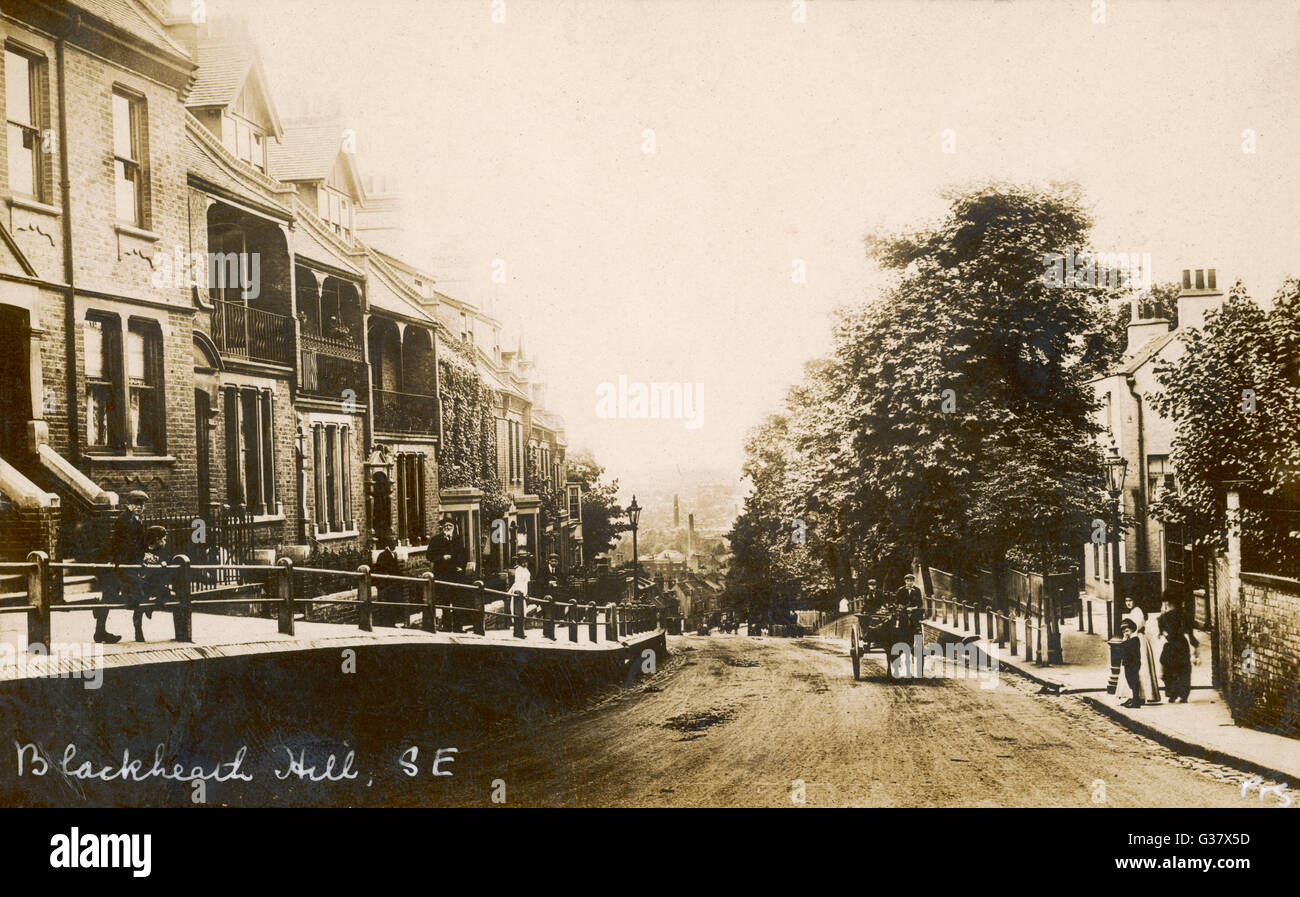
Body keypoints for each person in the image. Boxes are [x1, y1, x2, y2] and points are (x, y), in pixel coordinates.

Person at [94, 490, 149, 644]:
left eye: (142, 504)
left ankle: (101, 631)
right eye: (136, 503)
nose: (140, 506)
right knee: (138, 589)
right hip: (123, 565)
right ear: (128, 505)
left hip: (127, 564)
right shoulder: (126, 520)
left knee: (110, 597)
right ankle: (137, 632)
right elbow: (124, 545)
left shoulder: (135, 519)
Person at [124, 525, 171, 642]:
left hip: (153, 583)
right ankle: (138, 631)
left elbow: (167, 559)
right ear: (156, 539)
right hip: (139, 582)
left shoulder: (162, 550)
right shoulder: (141, 548)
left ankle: (149, 607)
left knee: (165, 593)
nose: (165, 541)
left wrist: (165, 562)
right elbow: (133, 562)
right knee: (140, 604)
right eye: (163, 539)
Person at [1119, 596, 1162, 705]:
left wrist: (1128, 635)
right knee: (1133, 669)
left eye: (1130, 600)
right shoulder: (1133, 611)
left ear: (1135, 601)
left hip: (1137, 640)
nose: (1128, 603)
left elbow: (1136, 627)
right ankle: (1133, 695)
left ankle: (1140, 696)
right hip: (1134, 639)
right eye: (1126, 601)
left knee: (1139, 668)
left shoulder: (1137, 611)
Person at [1158, 593, 1200, 703]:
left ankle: (1172, 693)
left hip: (1170, 646)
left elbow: (1162, 634)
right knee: (1184, 670)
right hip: (1182, 645)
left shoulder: (1163, 618)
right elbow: (1190, 634)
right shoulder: (1185, 616)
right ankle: (1184, 695)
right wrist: (1195, 651)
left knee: (1169, 670)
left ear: (1167, 603)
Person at [428, 517, 467, 628]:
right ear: (442, 528)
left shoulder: (457, 539)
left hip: (455, 575)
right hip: (443, 574)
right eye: (446, 526)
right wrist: (442, 558)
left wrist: (461, 567)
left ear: (453, 527)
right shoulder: (435, 540)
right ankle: (446, 626)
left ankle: (458, 626)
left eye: (450, 525)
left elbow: (463, 555)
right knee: (445, 600)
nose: (448, 527)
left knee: (457, 600)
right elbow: (429, 555)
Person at [1116, 617, 1145, 707]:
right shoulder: (1129, 640)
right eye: (1124, 630)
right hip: (1128, 663)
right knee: (1130, 681)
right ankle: (1133, 699)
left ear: (1132, 629)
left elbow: (1125, 647)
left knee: (1134, 681)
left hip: (1133, 663)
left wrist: (1125, 640)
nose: (1125, 631)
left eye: (1127, 629)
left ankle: (1136, 701)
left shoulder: (1135, 639)